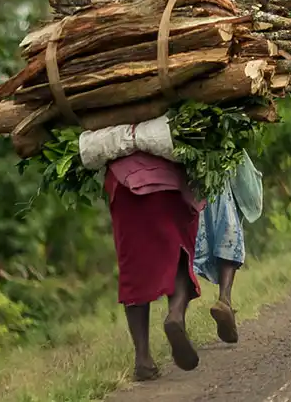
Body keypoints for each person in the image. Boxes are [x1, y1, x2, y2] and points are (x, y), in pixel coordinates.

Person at [104, 150, 205, 382]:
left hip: (124, 184)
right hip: (169, 183)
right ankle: (176, 315)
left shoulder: (105, 120)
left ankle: (143, 359)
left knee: (134, 269)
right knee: (179, 254)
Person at [194, 149, 263, 344]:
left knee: (188, 243)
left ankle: (177, 316)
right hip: (215, 170)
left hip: (184, 177)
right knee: (228, 231)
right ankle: (224, 298)